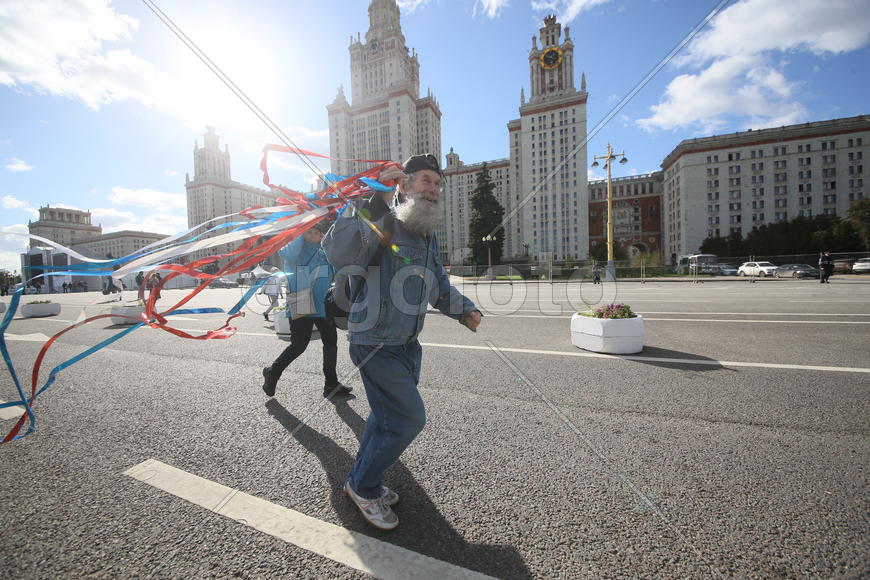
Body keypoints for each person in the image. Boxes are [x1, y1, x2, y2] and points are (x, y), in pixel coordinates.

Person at [322, 154, 482, 531]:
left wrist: (464, 310)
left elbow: (438, 284)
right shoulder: (377, 215)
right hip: (374, 341)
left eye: (437, 183)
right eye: (425, 180)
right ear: (403, 183)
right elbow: (336, 250)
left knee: (385, 416)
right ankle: (363, 485)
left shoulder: (426, 233)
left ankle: (362, 478)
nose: (434, 189)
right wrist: (375, 202)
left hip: (408, 344)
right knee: (408, 418)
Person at [261, 221, 350, 399]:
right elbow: (287, 252)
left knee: (331, 343)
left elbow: (337, 269)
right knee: (299, 346)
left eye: (317, 233)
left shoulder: (323, 252)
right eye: (308, 232)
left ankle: (331, 384)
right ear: (302, 233)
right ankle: (273, 372)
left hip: (324, 304)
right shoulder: (294, 252)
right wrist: (300, 231)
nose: (313, 236)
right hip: (301, 302)